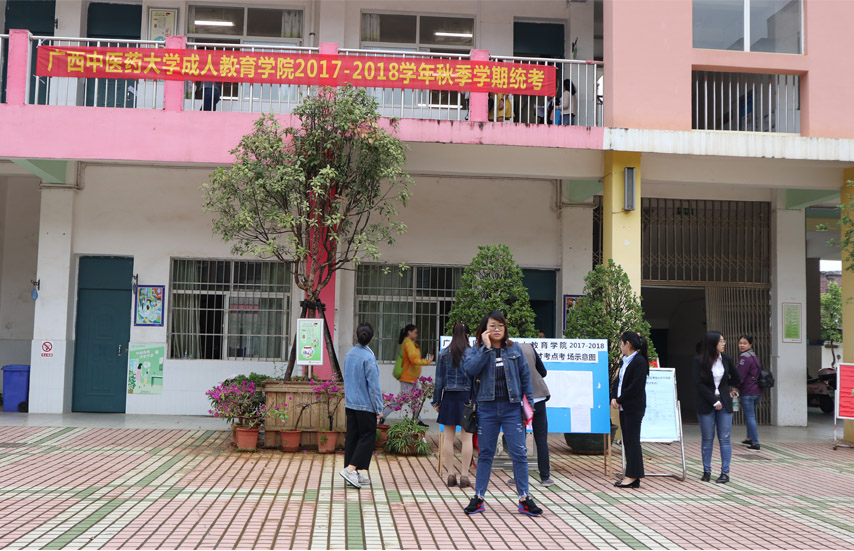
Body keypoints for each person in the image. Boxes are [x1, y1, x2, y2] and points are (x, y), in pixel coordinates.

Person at [462, 311, 543, 517]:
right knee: (485, 454)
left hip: (512, 408)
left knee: (519, 453)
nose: (497, 329)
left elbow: (526, 379)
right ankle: (478, 497)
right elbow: (470, 369)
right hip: (486, 408)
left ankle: (524, 498)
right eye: (492, 326)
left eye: (500, 326)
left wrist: (529, 406)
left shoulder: (514, 349)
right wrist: (486, 348)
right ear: (484, 330)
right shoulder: (476, 350)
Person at [693, 331, 742, 484]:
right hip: (707, 402)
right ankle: (707, 471)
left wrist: (730, 389)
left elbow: (737, 378)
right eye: (721, 341)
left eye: (723, 341)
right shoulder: (699, 360)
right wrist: (714, 401)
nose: (723, 343)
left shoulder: (726, 359)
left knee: (725, 438)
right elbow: (699, 384)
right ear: (712, 343)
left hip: (724, 402)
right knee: (707, 438)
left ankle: (725, 473)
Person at [339, 322, 383, 489]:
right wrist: (379, 408)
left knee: (353, 437)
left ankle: (353, 473)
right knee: (368, 436)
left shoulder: (349, 355)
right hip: (365, 405)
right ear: (372, 338)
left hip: (351, 404)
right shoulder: (369, 358)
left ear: (356, 336)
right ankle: (351, 470)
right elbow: (374, 387)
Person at [432, 322, 474, 488]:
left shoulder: (443, 354)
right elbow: (476, 380)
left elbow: (439, 381)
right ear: (467, 335)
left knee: (448, 438)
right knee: (467, 438)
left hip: (449, 398)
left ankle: (450, 475)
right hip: (467, 398)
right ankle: (464, 475)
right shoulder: (473, 353)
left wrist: (436, 401)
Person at [610, 331, 650, 489]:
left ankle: (633, 476)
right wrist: (614, 397)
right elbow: (618, 381)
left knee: (632, 441)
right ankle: (631, 474)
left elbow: (635, 387)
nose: (620, 346)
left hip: (634, 406)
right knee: (627, 440)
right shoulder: (624, 361)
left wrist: (620, 399)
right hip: (624, 406)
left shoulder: (639, 362)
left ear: (628, 344)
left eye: (621, 343)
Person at [381, 324, 433, 425]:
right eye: (415, 332)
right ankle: (382, 415)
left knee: (415, 400)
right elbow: (414, 360)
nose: (417, 334)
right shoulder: (408, 344)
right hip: (407, 378)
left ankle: (417, 420)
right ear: (409, 332)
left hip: (412, 378)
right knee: (402, 400)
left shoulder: (409, 343)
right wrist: (427, 361)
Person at [516, 341, 553, 486]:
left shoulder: (507, 349)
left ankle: (518, 476)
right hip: (538, 397)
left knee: (519, 439)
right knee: (541, 438)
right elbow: (543, 372)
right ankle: (545, 476)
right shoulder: (529, 347)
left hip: (520, 401)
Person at [737, 335, 763, 450]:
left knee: (750, 416)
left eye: (745, 343)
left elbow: (740, 376)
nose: (742, 345)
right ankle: (749, 438)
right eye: (740, 343)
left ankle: (755, 443)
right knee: (750, 415)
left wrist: (735, 388)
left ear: (750, 345)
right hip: (758, 391)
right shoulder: (754, 356)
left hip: (748, 391)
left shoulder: (744, 357)